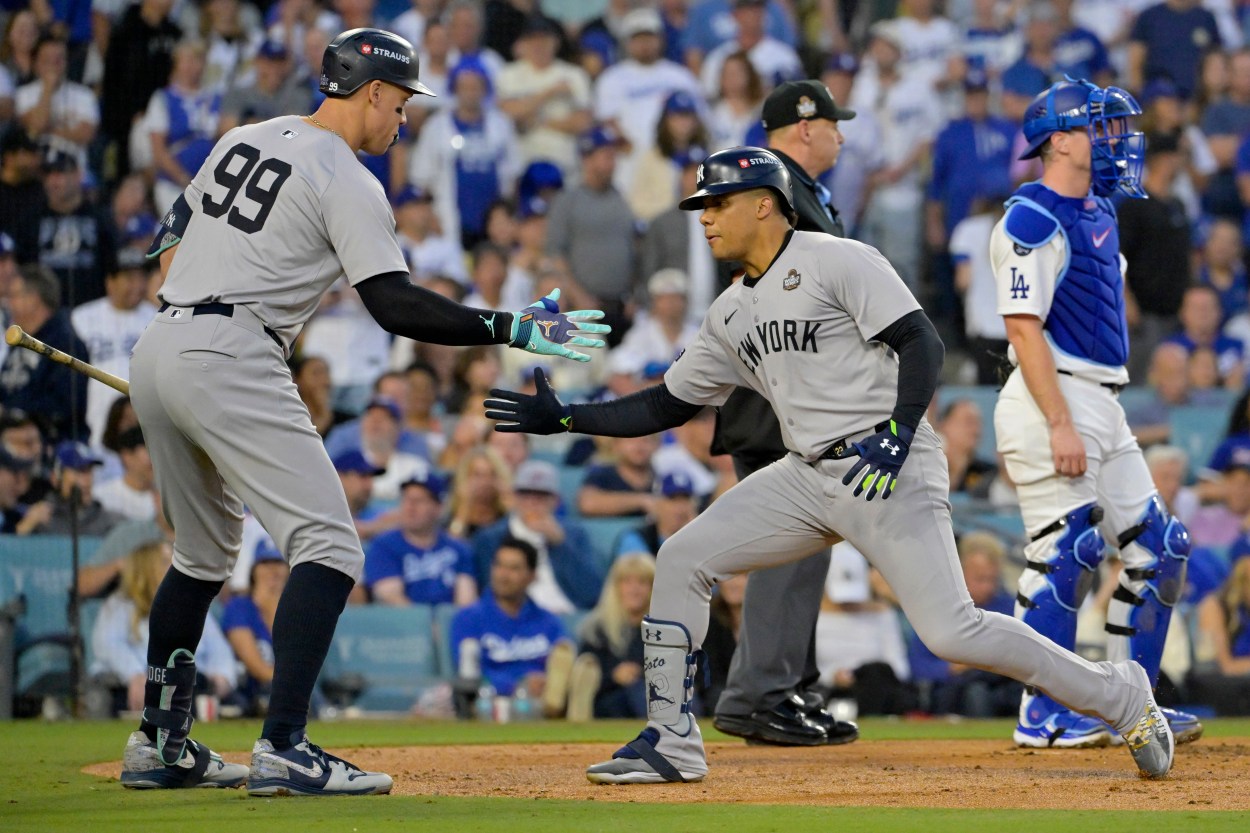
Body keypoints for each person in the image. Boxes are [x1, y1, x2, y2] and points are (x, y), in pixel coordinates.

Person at [484, 145, 1173, 784]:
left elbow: (921, 343)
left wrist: (902, 431)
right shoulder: (730, 311)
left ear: (765, 202)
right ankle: (670, 738)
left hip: (886, 462)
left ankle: (1119, 693)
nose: (707, 220)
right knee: (682, 556)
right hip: (807, 473)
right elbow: (665, 404)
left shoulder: (837, 258)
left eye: (718, 204)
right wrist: (568, 418)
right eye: (703, 208)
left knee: (951, 629)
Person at [119, 28, 608, 795]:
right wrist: (510, 325)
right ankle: (284, 742)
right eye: (403, 101)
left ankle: (158, 741)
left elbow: (166, 242)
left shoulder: (241, 136)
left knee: (202, 557)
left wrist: (188, 340)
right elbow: (393, 304)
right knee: (331, 547)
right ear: (374, 90)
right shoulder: (345, 175)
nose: (404, 117)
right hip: (234, 350)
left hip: (163, 343)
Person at [990, 79, 1201, 753]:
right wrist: (1057, 420)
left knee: (1161, 550)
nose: (1115, 141)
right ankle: (1043, 711)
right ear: (1059, 140)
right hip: (1049, 392)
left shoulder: (1100, 209)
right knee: (1067, 552)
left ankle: (1133, 704)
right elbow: (1023, 329)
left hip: (1102, 398)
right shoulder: (1031, 216)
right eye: (1100, 129)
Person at [712, 79, 858, 749]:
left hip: (792, 398)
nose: (841, 135)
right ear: (805, 127)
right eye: (834, 124)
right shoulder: (771, 191)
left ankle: (789, 686)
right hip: (779, 401)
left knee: (808, 545)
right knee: (787, 547)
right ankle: (761, 694)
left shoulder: (798, 192)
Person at [91, 541, 238, 720]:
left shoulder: (191, 604)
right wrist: (134, 674)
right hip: (140, 687)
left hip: (192, 687)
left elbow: (219, 648)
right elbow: (109, 645)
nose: (173, 568)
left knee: (234, 700)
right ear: (144, 569)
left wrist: (221, 676)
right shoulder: (119, 606)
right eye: (164, 561)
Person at [471, 459, 601, 613]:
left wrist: (561, 544)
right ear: (514, 497)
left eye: (541, 495)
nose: (532, 502)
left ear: (555, 500)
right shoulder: (491, 538)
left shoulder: (574, 533)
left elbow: (592, 593)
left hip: (568, 612)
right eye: (526, 494)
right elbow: (491, 591)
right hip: (516, 616)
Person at [449, 536, 571, 699]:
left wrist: (546, 682)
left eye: (514, 568)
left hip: (543, 703)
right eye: (499, 566)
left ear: (532, 576)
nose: (503, 576)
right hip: (487, 703)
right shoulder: (468, 619)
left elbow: (564, 663)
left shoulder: (549, 622)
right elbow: (469, 673)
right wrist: (519, 684)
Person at [70, 249, 158, 445]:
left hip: (142, 418)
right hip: (95, 414)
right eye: (129, 278)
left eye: (141, 278)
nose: (137, 285)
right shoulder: (82, 317)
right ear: (110, 282)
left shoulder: (157, 317)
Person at [0, 264, 88, 442]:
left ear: (33, 299)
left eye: (13, 296)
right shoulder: (20, 339)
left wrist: (14, 411)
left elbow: (64, 405)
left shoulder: (65, 343)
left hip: (55, 447)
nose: (8, 303)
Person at [364, 471, 477, 607]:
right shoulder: (384, 546)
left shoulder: (458, 549)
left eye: (419, 501)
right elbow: (391, 599)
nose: (410, 507)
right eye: (406, 499)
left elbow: (465, 602)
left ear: (438, 508)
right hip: (401, 624)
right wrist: (424, 626)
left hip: (448, 623)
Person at [576, 553, 657, 719]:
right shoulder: (596, 630)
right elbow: (586, 675)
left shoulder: (664, 630)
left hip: (653, 696)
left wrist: (641, 674)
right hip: (609, 701)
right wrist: (614, 676)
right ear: (616, 587)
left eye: (642, 582)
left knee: (639, 690)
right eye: (627, 582)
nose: (634, 589)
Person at [221, 542, 290, 715]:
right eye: (266, 563)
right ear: (254, 570)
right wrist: (293, 690)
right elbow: (256, 667)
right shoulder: (240, 606)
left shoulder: (295, 611)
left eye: (279, 563)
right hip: (246, 695)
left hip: (284, 692)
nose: (273, 570)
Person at [94, 427, 158, 522]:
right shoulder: (103, 496)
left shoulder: (169, 498)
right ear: (127, 456)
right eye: (148, 450)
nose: (156, 458)